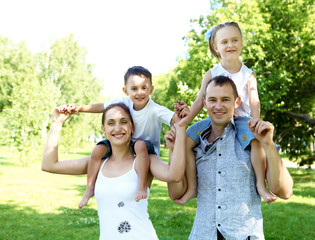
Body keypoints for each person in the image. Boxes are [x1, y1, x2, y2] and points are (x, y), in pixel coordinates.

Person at [168, 76, 293, 239]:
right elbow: (175, 193)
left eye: (225, 99)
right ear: (204, 103)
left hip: (245, 235)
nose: (218, 106)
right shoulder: (195, 143)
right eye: (212, 100)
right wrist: (173, 150)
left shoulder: (252, 138)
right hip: (203, 234)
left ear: (237, 102)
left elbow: (285, 191)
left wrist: (268, 145)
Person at [42, 103, 187, 240]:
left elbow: (174, 175)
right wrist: (56, 123)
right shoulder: (98, 162)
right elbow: (49, 165)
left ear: (132, 127)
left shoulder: (144, 160)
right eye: (111, 123)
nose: (117, 128)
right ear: (104, 129)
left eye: (123, 122)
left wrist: (177, 139)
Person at [177, 21, 276, 203]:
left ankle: (261, 186)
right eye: (224, 42)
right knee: (185, 142)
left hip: (240, 120)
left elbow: (254, 98)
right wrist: (184, 122)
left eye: (234, 40)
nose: (230, 45)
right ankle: (192, 187)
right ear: (216, 47)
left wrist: (256, 120)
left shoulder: (248, 74)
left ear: (241, 43)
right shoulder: (211, 73)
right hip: (214, 119)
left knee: (255, 142)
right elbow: (200, 101)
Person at [63, 66, 187, 208]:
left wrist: (181, 113)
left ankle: (141, 186)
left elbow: (176, 120)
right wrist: (79, 109)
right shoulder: (124, 102)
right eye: (134, 89)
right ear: (125, 91)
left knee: (139, 145)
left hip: (145, 149)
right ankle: (90, 187)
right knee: (97, 150)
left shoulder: (155, 110)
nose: (139, 92)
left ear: (151, 89)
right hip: (125, 144)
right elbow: (102, 107)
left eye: (144, 88)